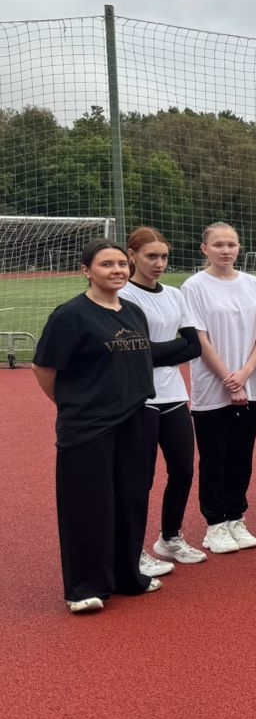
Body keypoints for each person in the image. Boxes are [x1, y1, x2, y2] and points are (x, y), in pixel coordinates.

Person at [35, 241, 198, 612]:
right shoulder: (71, 315)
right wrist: (72, 404)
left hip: (136, 419)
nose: (117, 270)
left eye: (121, 264)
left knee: (130, 498)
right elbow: (44, 368)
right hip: (88, 425)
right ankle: (85, 588)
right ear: (86, 271)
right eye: (106, 264)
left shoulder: (133, 312)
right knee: (88, 503)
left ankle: (127, 576)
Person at [120, 227, 204, 573]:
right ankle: (133, 550)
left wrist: (154, 352)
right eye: (151, 256)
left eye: (164, 256)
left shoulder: (174, 294)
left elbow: (194, 346)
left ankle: (169, 537)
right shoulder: (124, 295)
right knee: (140, 478)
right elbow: (137, 352)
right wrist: (161, 351)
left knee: (183, 469)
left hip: (174, 396)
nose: (159, 263)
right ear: (132, 255)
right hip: (138, 398)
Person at [185, 222, 256, 554]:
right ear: (204, 248)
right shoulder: (194, 286)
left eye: (231, 244)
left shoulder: (254, 284)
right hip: (212, 387)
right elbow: (199, 338)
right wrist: (228, 379)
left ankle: (236, 516)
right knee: (214, 457)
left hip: (250, 385)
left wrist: (245, 374)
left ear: (239, 247)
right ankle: (215, 524)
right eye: (218, 244)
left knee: (241, 456)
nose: (226, 250)